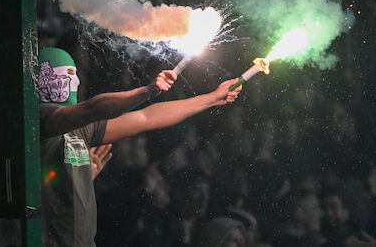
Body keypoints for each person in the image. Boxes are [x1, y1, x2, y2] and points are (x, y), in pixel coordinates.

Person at [38, 47, 241, 247]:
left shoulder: (82, 129)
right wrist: (146, 91)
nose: (69, 82)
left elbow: (147, 117)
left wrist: (212, 98)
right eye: (63, 76)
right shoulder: (40, 118)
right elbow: (93, 108)